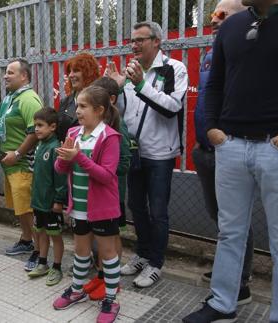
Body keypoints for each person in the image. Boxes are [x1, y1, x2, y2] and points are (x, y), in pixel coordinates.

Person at [183, 0, 278, 322]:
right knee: (230, 232)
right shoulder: (233, 28)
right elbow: (215, 83)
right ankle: (222, 303)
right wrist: (212, 130)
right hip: (232, 146)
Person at [107, 21, 188, 288]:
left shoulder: (174, 69)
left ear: (156, 41)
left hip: (160, 154)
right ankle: (142, 254)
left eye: (140, 40)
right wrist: (117, 89)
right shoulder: (132, 72)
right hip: (135, 153)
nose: (134, 45)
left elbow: (171, 106)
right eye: (132, 41)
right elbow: (125, 111)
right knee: (136, 207)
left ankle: (156, 263)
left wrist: (141, 84)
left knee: (158, 211)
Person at [190, 0, 253, 307]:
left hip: (230, 150)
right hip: (206, 150)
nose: (214, 19)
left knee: (236, 219)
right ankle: (229, 274)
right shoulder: (211, 54)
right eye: (212, 14)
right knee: (222, 219)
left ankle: (241, 282)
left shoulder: (248, 52)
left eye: (222, 14)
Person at [52, 85, 122, 323]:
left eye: (83, 106)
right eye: (77, 106)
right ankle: (77, 290)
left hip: (103, 210)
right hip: (79, 207)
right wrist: (63, 159)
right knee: (81, 251)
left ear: (99, 110)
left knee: (108, 254)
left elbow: (106, 176)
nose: (77, 110)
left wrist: (78, 157)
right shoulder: (73, 132)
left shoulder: (109, 137)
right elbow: (61, 169)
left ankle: (111, 300)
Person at [82, 77, 132, 301]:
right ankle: (102, 276)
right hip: (93, 194)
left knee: (111, 238)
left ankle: (113, 282)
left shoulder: (114, 132)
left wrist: (104, 170)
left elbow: (123, 163)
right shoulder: (89, 131)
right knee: (99, 237)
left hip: (110, 194)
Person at [0, 58, 42, 272]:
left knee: (29, 209)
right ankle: (26, 239)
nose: (5, 76)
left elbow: (36, 131)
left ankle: (39, 253)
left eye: (10, 72)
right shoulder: (11, 98)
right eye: (6, 72)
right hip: (11, 166)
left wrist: (17, 152)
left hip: (23, 164)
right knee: (20, 209)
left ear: (24, 76)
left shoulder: (28, 99)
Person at [26, 107, 67, 286]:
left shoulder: (55, 148)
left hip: (51, 204)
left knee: (55, 235)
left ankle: (57, 267)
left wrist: (59, 201)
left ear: (52, 127)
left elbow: (60, 178)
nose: (37, 129)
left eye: (40, 125)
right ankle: (42, 263)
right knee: (40, 233)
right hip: (38, 202)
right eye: (35, 125)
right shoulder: (40, 145)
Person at [57, 53, 101, 140]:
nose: (70, 75)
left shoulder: (99, 100)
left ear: (88, 73)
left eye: (76, 71)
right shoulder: (65, 102)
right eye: (70, 71)